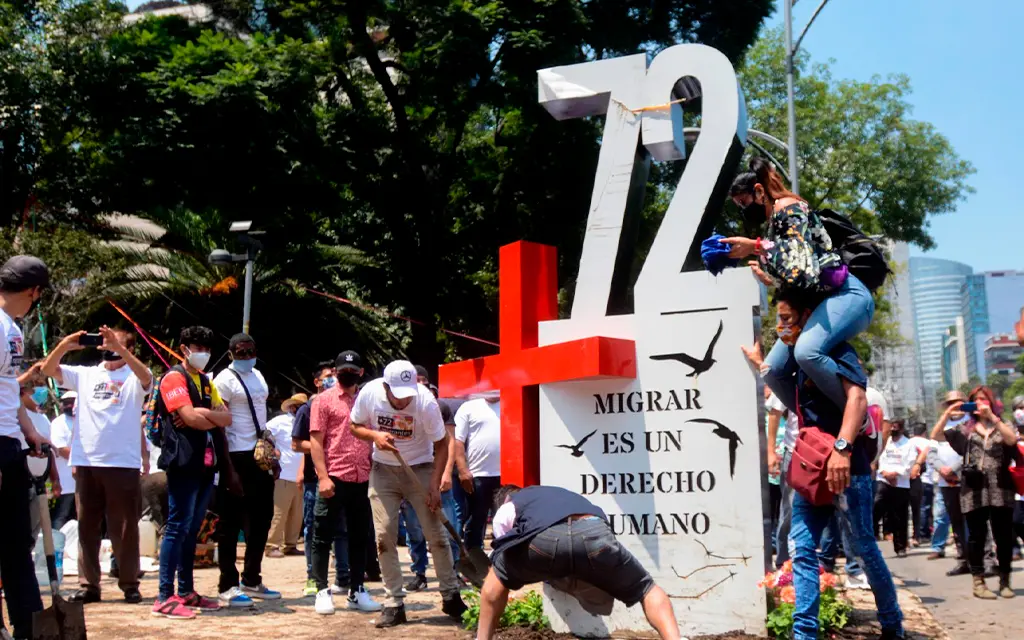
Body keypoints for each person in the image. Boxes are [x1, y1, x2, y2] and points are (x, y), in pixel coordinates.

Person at [770, 290, 904, 640]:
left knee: (863, 548)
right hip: (812, 473)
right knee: (801, 552)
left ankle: (892, 624)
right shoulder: (796, 363)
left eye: (787, 318)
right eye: (778, 320)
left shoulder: (838, 352)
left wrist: (842, 449)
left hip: (849, 471)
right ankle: (804, 634)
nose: (780, 327)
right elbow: (776, 380)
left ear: (808, 316)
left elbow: (857, 398)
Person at [725, 158, 874, 413]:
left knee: (807, 352)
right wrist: (768, 277)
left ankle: (856, 416)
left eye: (743, 202)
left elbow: (802, 269)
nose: (742, 210)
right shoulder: (774, 226)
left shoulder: (789, 207)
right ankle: (816, 423)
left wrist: (755, 247)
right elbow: (796, 278)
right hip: (819, 304)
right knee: (772, 371)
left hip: (847, 296)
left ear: (759, 191)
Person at [349, 359, 467, 628]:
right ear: (386, 387)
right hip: (383, 470)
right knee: (384, 534)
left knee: (436, 535)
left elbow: (441, 444)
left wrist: (435, 485)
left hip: (422, 468)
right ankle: (393, 603)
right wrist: (374, 436)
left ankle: (450, 595)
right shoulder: (370, 393)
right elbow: (354, 426)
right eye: (398, 396)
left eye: (408, 395)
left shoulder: (425, 401)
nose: (403, 401)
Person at [478, 484, 681, 640]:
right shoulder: (555, 494)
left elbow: (504, 553)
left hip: (545, 542)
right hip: (595, 533)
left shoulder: (510, 504)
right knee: (646, 589)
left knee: (496, 580)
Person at [42, 325, 153, 605]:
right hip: (87, 461)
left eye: (116, 342)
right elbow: (47, 370)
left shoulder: (133, 376)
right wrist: (66, 344)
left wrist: (122, 350)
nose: (109, 346)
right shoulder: (87, 374)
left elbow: (147, 377)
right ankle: (89, 584)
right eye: (106, 342)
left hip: (122, 463)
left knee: (125, 528)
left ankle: (129, 583)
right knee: (86, 526)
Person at [150, 325, 231, 619]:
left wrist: (205, 415)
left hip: (205, 464)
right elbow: (187, 417)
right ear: (183, 348)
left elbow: (226, 417)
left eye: (207, 349)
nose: (204, 354)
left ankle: (185, 591)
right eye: (198, 348)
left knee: (190, 530)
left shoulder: (206, 382)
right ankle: (164, 596)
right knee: (177, 527)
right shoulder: (174, 378)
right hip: (182, 462)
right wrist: (207, 416)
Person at [0, 255, 50, 640]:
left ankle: (28, 626)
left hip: (12, 443)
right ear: (34, 291)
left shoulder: (13, 328)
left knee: (17, 543)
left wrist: (28, 428)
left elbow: (8, 390)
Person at [930, 385, 1020, 599]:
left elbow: (1012, 440)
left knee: (1003, 536)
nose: (980, 404)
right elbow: (936, 435)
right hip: (974, 489)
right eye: (976, 400)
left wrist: (994, 418)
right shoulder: (965, 427)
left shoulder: (1002, 424)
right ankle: (978, 581)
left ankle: (1004, 580)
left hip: (1001, 487)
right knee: (976, 536)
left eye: (984, 400)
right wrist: (947, 414)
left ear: (992, 402)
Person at [309, 350, 381, 615]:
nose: (347, 374)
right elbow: (317, 440)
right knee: (322, 536)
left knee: (360, 536)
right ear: (336, 371)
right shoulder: (323, 400)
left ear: (361, 372)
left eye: (353, 370)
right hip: (335, 477)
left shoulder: (367, 401)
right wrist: (323, 477)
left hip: (362, 477)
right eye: (342, 370)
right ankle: (321, 590)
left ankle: (357, 590)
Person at [212, 333, 281, 605]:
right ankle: (227, 583)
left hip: (258, 454)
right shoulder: (224, 380)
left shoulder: (259, 376)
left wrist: (271, 453)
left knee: (262, 519)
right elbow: (220, 423)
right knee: (230, 522)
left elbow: (261, 417)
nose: (246, 356)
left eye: (250, 351)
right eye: (240, 352)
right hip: (235, 455)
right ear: (230, 353)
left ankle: (252, 578)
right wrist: (227, 468)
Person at [292, 361, 351, 596]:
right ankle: (313, 578)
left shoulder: (345, 404)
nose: (333, 379)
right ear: (317, 382)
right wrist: (321, 448)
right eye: (328, 376)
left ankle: (344, 577)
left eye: (335, 375)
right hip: (313, 480)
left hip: (340, 477)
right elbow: (296, 444)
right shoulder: (307, 409)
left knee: (342, 530)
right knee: (314, 529)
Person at [402, 365, 462, 593]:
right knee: (414, 528)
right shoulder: (402, 408)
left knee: (449, 526)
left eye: (422, 380)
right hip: (413, 476)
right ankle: (419, 573)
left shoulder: (440, 407)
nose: (419, 385)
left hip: (438, 474)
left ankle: (454, 571)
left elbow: (450, 443)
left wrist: (447, 474)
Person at [926, 391, 969, 575]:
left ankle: (982, 559)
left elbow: (970, 452)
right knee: (956, 522)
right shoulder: (942, 426)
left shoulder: (970, 423)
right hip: (946, 482)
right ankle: (963, 559)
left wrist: (955, 469)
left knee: (973, 522)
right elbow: (932, 452)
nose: (955, 406)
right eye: (950, 403)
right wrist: (942, 470)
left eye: (958, 402)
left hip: (968, 480)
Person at [454, 393, 501, 553]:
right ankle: (474, 562)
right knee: (476, 520)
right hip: (478, 474)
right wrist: (462, 469)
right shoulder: (469, 407)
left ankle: (503, 562)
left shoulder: (514, 402)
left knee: (506, 521)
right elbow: (457, 441)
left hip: (508, 474)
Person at [265, 393, 307, 558]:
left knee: (297, 514)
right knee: (279, 512)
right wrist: (272, 448)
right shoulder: (279, 421)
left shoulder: (306, 422)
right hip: (283, 473)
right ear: (293, 407)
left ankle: (290, 544)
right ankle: (271, 545)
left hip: (301, 474)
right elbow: (263, 432)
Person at [873, 420, 915, 558]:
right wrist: (885, 473)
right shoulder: (886, 441)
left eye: (895, 427)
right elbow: (878, 458)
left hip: (900, 483)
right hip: (883, 480)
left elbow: (910, 462)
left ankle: (900, 546)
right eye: (891, 427)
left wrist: (895, 474)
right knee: (877, 505)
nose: (892, 429)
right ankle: (872, 536)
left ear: (902, 429)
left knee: (900, 516)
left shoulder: (908, 444)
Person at [50, 391, 78, 529]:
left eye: (72, 402)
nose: (69, 405)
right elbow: (60, 449)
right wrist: (83, 459)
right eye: (66, 403)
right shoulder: (58, 423)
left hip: (83, 482)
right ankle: (56, 549)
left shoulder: (85, 420)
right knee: (61, 517)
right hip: (65, 481)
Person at [908, 423, 934, 546]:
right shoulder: (928, 443)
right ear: (924, 432)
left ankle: (919, 533)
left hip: (911, 479)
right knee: (925, 507)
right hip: (927, 478)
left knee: (917, 508)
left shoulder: (908, 442)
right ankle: (924, 533)